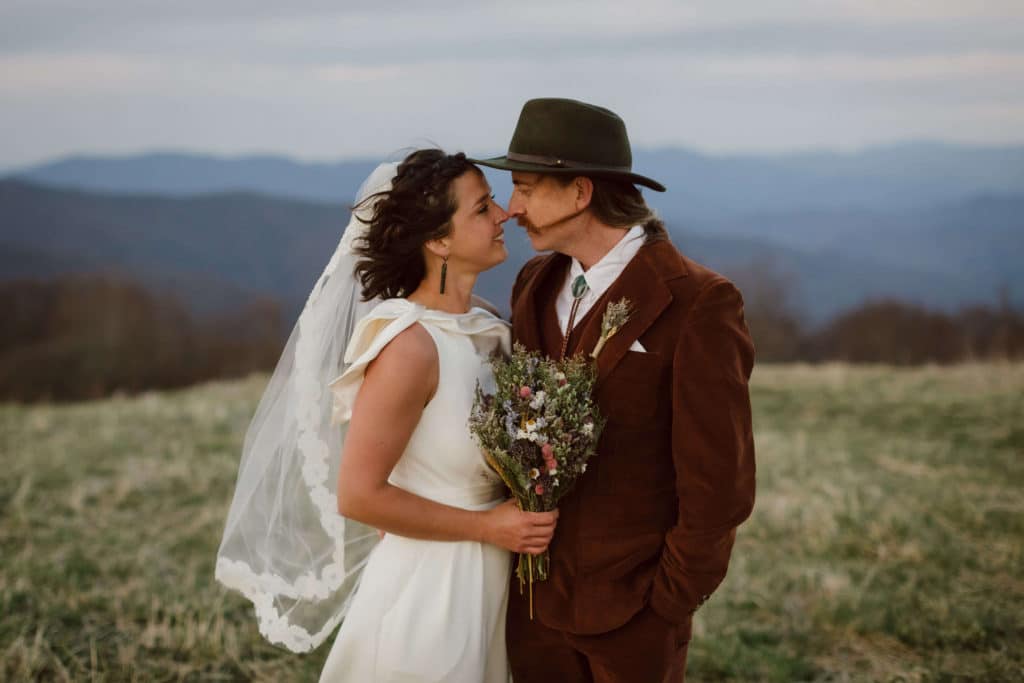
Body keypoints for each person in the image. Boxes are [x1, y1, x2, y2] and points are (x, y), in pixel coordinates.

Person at [215, 149, 558, 683]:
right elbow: (359, 496)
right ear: (439, 241)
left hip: (496, 587)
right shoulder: (409, 348)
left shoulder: (488, 327)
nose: (503, 215)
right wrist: (489, 526)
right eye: (481, 207)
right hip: (430, 595)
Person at [471, 98, 756, 682]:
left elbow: (719, 483)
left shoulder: (699, 301)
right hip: (531, 605)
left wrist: (666, 604)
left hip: (636, 614)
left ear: (580, 193)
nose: (511, 209)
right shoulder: (533, 282)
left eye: (525, 188)